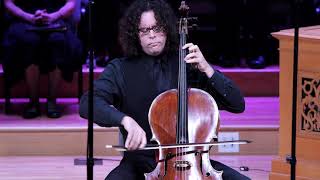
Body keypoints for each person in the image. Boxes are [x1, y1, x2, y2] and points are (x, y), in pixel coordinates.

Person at [79, 0, 249, 179]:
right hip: (139, 164)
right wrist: (124, 120)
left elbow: (237, 104)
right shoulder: (119, 69)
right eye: (144, 30)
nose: (152, 35)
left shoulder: (189, 64)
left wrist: (208, 69)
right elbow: (87, 103)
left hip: (193, 163)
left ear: (167, 28)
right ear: (134, 34)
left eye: (157, 27)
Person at [3, 0, 82, 118]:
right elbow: (8, 3)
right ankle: (33, 101)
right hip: (23, 18)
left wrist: (54, 16)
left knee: (58, 41)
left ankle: (52, 99)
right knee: (28, 41)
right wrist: (29, 17)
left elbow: (71, 4)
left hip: (56, 18)